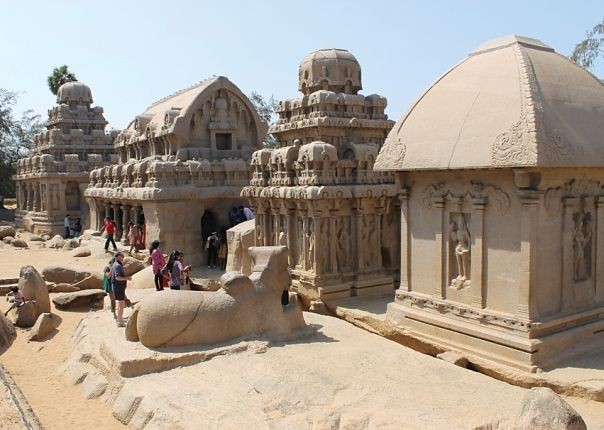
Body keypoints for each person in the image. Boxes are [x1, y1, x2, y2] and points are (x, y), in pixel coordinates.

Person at [111, 252, 131, 327]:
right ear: (117, 257)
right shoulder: (117, 266)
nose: (123, 257)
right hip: (118, 287)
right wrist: (127, 278)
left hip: (118, 287)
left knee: (120, 304)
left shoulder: (116, 264)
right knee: (121, 304)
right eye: (121, 256)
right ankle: (119, 321)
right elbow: (117, 277)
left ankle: (119, 318)